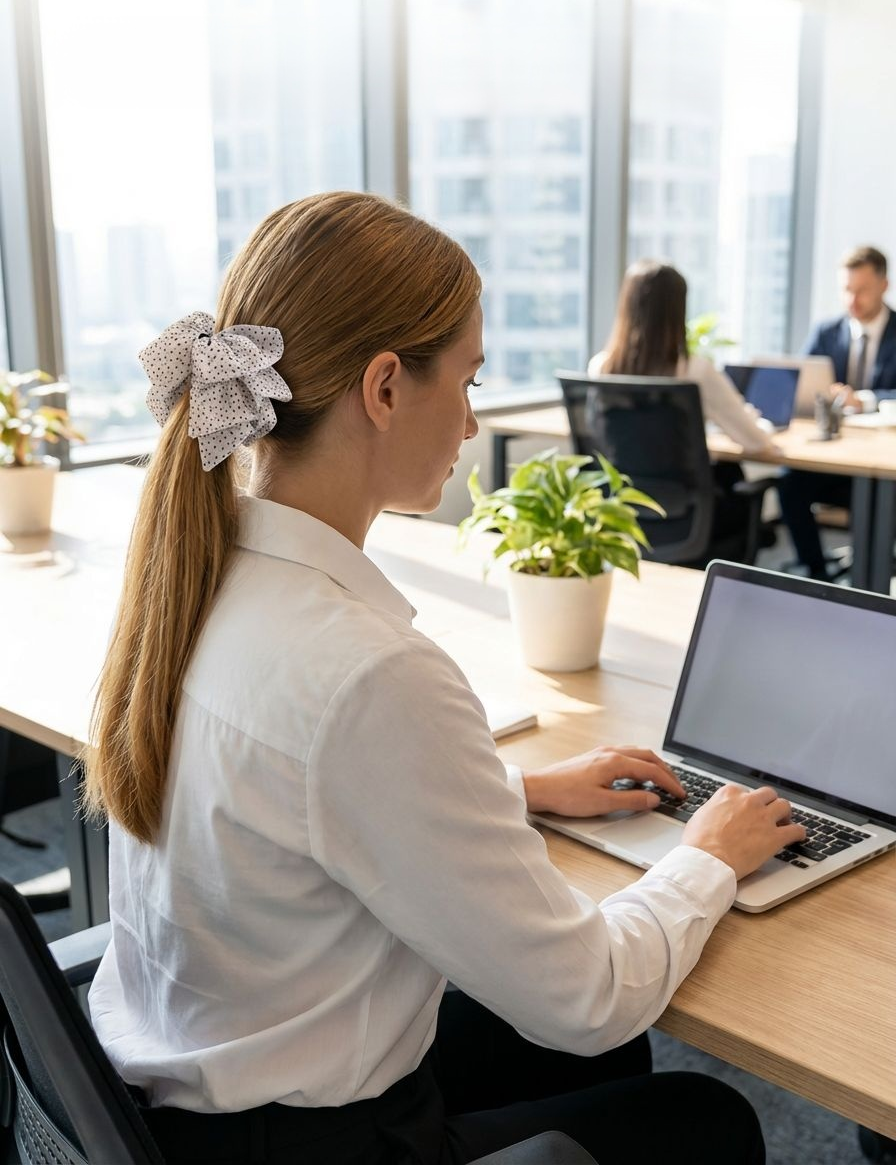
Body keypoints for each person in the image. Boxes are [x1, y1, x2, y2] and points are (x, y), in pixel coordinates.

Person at [84, 193, 804, 1165]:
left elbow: (291, 797)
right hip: (317, 1145)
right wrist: (707, 854)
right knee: (700, 1120)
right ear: (383, 388)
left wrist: (517, 789)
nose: (469, 423)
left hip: (189, 1101)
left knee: (608, 1062)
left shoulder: (196, 580)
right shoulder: (366, 673)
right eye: (463, 381)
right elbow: (584, 996)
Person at [588, 259, 778, 556]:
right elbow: (755, 441)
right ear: (677, 311)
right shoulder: (696, 371)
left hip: (624, 509)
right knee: (733, 476)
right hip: (688, 517)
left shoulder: (600, 368)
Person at [779, 245, 896, 578]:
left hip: (882, 461)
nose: (852, 301)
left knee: (878, 502)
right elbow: (801, 380)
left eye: (862, 291)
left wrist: (864, 398)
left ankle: (872, 579)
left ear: (884, 286)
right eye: (847, 290)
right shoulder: (826, 331)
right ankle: (817, 574)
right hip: (834, 455)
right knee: (790, 487)